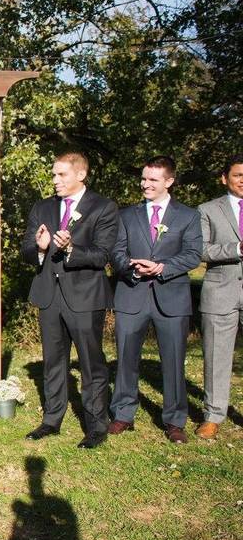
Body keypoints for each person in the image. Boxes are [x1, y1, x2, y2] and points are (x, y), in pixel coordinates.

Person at [21, 151, 119, 448]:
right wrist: (39, 249)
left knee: (91, 363)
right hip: (49, 295)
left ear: (81, 175)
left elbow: (103, 255)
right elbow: (26, 249)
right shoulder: (43, 207)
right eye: (53, 174)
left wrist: (71, 249)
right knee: (53, 361)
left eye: (61, 174)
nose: (55, 180)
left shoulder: (103, 208)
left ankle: (96, 425)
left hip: (85, 297)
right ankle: (52, 419)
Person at [108, 156, 202, 444]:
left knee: (173, 361)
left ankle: (174, 421)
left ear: (169, 181)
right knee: (126, 358)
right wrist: (131, 268)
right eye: (144, 178)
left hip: (171, 297)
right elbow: (116, 252)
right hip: (131, 294)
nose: (145, 184)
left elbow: (192, 254)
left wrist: (162, 268)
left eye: (153, 180)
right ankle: (123, 413)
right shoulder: (126, 215)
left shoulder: (188, 216)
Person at [197, 153, 243, 440]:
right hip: (220, 293)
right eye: (239, 175)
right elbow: (200, 250)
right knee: (216, 356)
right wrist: (236, 249)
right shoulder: (207, 210)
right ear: (224, 178)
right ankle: (213, 416)